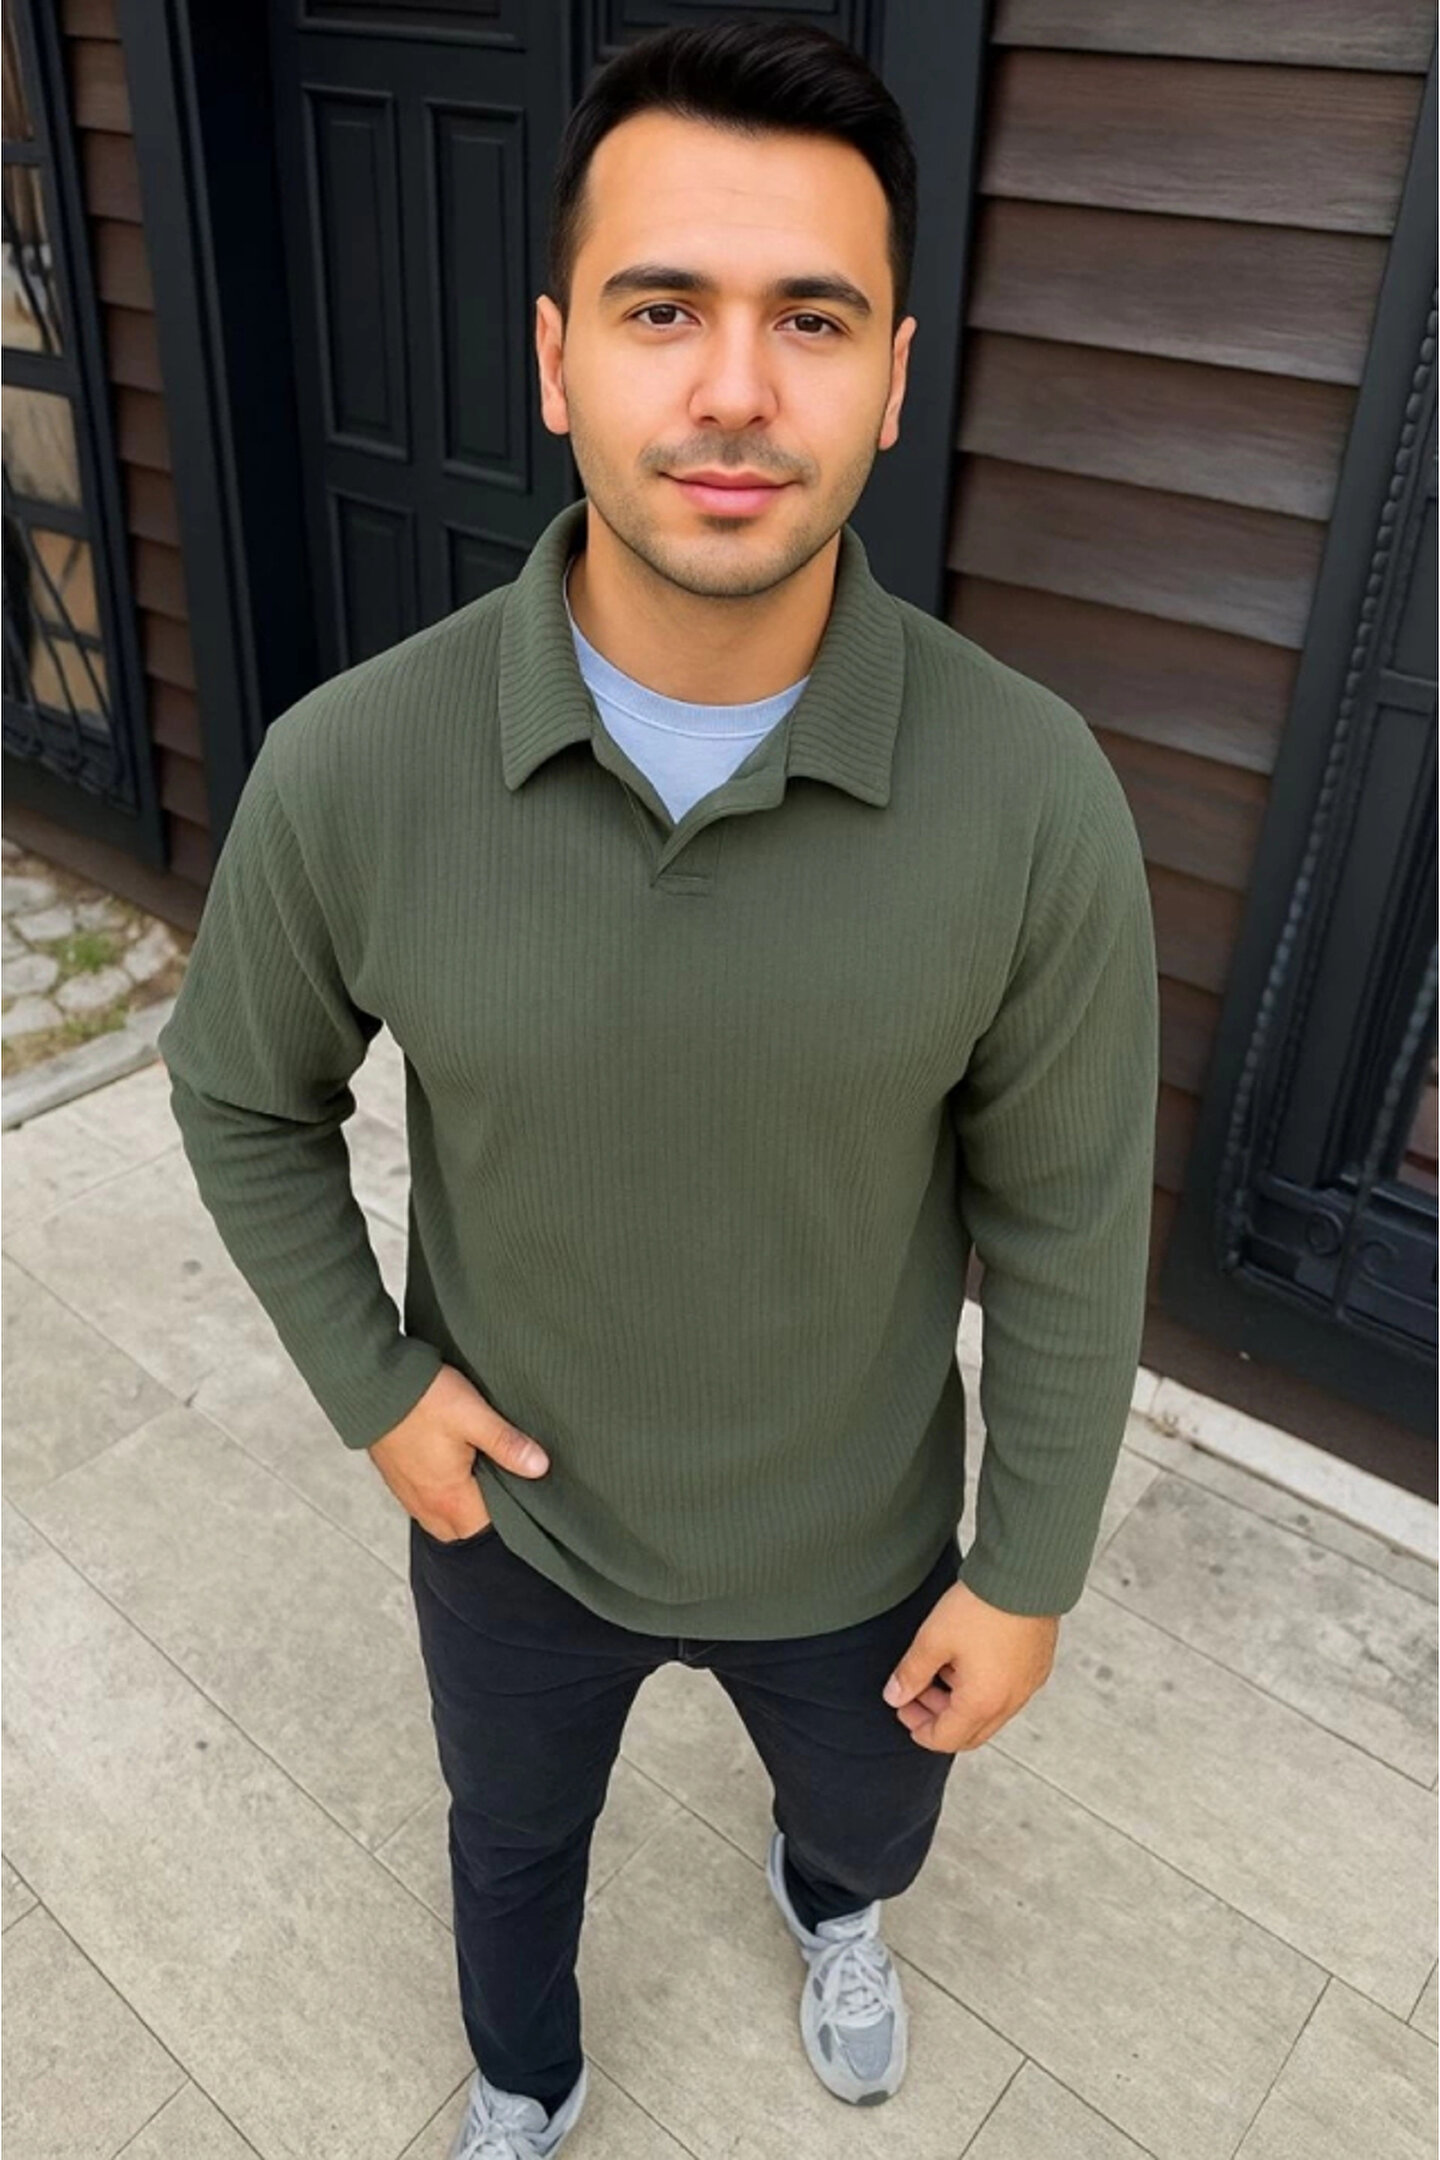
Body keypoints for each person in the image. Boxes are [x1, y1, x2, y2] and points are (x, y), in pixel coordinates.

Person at [156, 18, 1159, 2160]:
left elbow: (1071, 1212)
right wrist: (373, 1386)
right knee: (510, 1840)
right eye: (661, 308)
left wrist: (1029, 1568)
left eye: (813, 318)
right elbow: (240, 1093)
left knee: (872, 1822)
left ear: (895, 378)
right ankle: (526, 2080)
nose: (733, 389)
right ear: (555, 360)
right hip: (516, 1518)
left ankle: (830, 1901)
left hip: (860, 1538)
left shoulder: (1031, 794)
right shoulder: (356, 765)